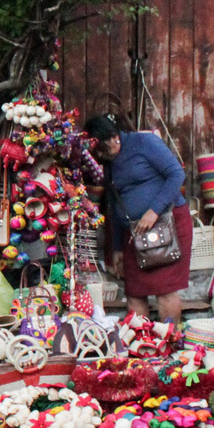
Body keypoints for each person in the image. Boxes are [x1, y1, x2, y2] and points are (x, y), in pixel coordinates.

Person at [87, 114, 191, 323]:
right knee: (134, 293)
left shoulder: (145, 142)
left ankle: (168, 343)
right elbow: (115, 203)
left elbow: (176, 175)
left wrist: (153, 211)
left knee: (166, 291)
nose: (103, 155)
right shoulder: (110, 162)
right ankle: (142, 346)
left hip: (167, 225)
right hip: (134, 234)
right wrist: (116, 247)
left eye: (105, 149)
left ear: (114, 137)